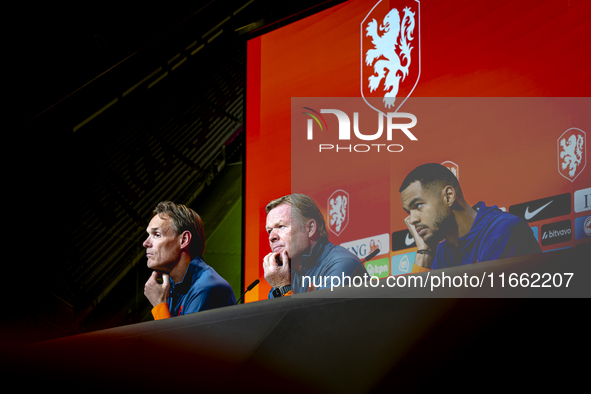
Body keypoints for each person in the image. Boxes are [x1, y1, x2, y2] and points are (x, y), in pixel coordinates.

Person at [400, 163, 541, 272]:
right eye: (408, 212)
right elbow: (415, 308)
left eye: (418, 206)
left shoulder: (502, 231)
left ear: (449, 196)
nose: (412, 220)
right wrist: (424, 255)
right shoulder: (441, 253)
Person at [143, 201, 236, 319]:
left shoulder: (207, 288)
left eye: (156, 235)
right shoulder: (172, 288)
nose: (145, 243)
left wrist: (159, 306)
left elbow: (179, 338)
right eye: (148, 235)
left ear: (184, 240)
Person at [263, 193, 368, 297]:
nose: (271, 237)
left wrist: (283, 287)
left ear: (310, 228)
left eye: (281, 226)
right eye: (269, 230)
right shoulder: (283, 275)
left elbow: (319, 314)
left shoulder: (342, 264)